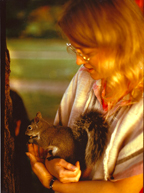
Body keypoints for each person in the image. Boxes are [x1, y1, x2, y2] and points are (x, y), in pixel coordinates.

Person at [26, 0, 144, 192]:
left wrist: (51, 182)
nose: (78, 61)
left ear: (119, 47)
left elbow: (123, 189)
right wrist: (55, 166)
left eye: (87, 53)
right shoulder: (85, 77)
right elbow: (56, 139)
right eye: (75, 49)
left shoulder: (139, 106)